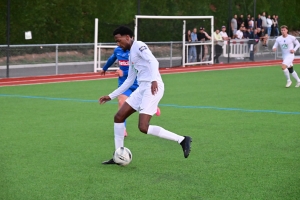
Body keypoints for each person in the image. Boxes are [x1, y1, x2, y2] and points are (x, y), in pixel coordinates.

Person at [99, 26, 192, 164]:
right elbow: (130, 80)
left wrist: (154, 79)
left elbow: (154, 61)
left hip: (153, 87)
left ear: (128, 37)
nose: (118, 44)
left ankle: (182, 140)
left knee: (143, 127)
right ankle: (118, 154)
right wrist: (111, 96)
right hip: (142, 88)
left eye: (119, 41)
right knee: (119, 117)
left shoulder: (139, 45)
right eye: (116, 42)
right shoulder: (131, 54)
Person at [100, 46, 161, 137]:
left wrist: (123, 73)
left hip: (139, 84)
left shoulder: (136, 51)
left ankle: (152, 105)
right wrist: (105, 68)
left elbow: (144, 67)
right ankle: (123, 129)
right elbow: (112, 58)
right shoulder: (118, 50)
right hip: (124, 83)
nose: (119, 43)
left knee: (140, 104)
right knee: (121, 103)